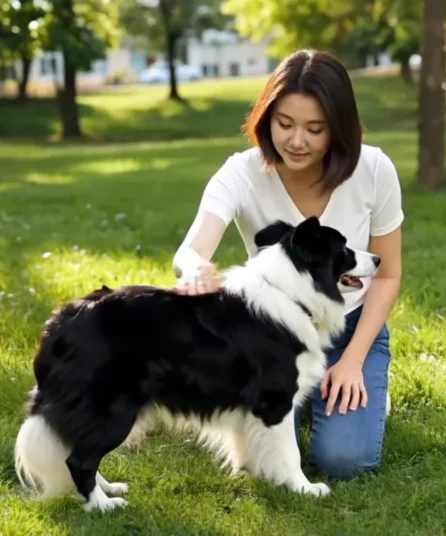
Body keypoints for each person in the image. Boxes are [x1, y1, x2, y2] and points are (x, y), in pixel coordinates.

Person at [171, 49, 404, 481]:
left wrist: (352, 360)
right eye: (284, 124)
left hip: (349, 327)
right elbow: (191, 250)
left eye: (315, 129)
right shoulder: (241, 173)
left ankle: (363, 383)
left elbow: (387, 274)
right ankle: (312, 399)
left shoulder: (373, 169)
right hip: (269, 334)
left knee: (343, 461)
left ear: (339, 128)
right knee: (268, 455)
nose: (297, 141)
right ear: (266, 119)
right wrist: (193, 269)